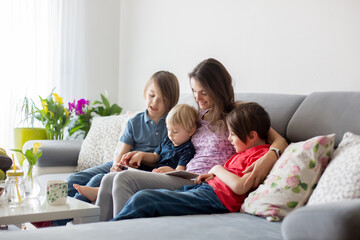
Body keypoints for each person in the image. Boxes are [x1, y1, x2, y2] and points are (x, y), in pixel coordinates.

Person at [95, 58, 288, 221]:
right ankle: (96, 232)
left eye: (203, 92)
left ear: (218, 89)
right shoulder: (197, 116)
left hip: (202, 182)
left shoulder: (238, 114)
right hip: (183, 174)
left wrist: (269, 158)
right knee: (109, 179)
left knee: (124, 180)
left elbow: (277, 140)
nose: (197, 97)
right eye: (194, 91)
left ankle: (117, 231)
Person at [111, 102, 271, 220]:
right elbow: (230, 177)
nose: (229, 139)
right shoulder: (242, 152)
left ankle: (110, 230)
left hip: (216, 199)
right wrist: (211, 176)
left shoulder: (261, 155)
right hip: (206, 189)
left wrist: (215, 169)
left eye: (233, 135)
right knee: (145, 196)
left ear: (252, 136)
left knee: (144, 200)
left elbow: (240, 186)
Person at [67, 70, 180, 203]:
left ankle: (72, 214)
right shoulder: (135, 121)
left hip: (143, 168)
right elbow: (122, 152)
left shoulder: (173, 124)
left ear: (170, 103)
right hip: (124, 163)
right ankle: (51, 219)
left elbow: (165, 156)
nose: (154, 102)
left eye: (162, 100)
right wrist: (116, 166)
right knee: (73, 180)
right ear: (145, 93)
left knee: (97, 181)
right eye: (152, 95)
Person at [73, 104, 199, 202]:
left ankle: (98, 192)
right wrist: (141, 154)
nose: (170, 134)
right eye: (168, 129)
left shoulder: (187, 149)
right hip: (152, 173)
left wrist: (168, 170)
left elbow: (180, 172)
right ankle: (79, 204)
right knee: (103, 177)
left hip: (163, 179)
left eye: (175, 131)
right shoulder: (167, 140)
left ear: (191, 130)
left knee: (118, 180)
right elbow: (155, 157)